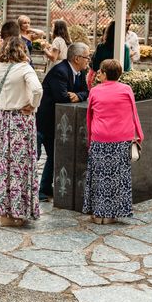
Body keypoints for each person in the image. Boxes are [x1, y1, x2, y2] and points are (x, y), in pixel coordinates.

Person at [83, 59, 143, 224]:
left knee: (99, 177)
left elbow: (90, 117)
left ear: (103, 73)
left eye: (100, 72)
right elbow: (134, 114)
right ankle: (111, 215)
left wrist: (90, 139)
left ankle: (98, 214)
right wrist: (139, 136)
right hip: (121, 139)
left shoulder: (94, 91)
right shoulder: (127, 90)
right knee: (118, 178)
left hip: (100, 138)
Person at [0, 37, 43, 226]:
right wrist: (33, 105)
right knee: (20, 167)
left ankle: (3, 213)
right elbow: (37, 89)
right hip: (20, 120)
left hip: (3, 119)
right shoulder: (24, 68)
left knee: (4, 166)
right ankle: (18, 212)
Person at [36, 42, 91, 201]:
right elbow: (62, 96)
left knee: (54, 156)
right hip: (43, 121)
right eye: (86, 57)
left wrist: (78, 96)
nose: (88, 60)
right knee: (36, 156)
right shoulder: (60, 71)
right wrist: (74, 95)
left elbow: (86, 91)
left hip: (57, 123)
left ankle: (44, 189)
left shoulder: (80, 72)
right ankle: (32, 191)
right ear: (77, 58)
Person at [91, 21, 131, 87]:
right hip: (118, 83)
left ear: (108, 32)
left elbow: (95, 66)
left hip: (101, 81)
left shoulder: (101, 47)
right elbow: (126, 69)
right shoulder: (125, 48)